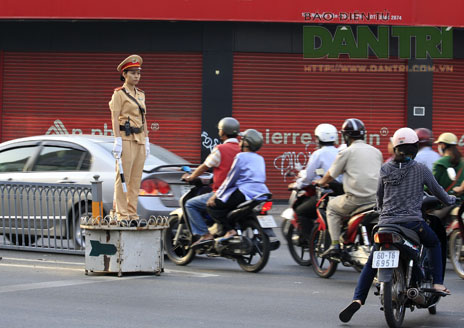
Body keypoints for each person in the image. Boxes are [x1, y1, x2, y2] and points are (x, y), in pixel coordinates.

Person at [339, 127, 455, 323]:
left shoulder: (385, 169)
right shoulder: (420, 169)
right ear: (415, 148)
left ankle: (358, 299)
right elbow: (439, 192)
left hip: (385, 225)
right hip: (412, 223)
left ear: (395, 147)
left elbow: (379, 198)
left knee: (372, 261)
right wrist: (451, 199)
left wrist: (382, 210)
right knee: (434, 242)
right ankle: (437, 283)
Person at [316, 118, 383, 258]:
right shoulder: (376, 151)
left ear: (346, 136)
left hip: (356, 200)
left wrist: (321, 182)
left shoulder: (346, 152)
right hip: (377, 200)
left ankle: (334, 244)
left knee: (332, 208)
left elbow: (331, 174)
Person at [183, 117, 241, 247]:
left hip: (222, 192)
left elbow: (205, 166)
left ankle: (205, 235)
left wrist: (192, 176)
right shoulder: (242, 149)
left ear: (222, 132)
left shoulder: (220, 149)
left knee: (190, 204)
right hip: (240, 193)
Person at [206, 129, 270, 238]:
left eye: (241, 141)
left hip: (244, 193)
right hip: (262, 193)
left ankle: (229, 230)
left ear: (246, 143)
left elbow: (230, 179)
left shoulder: (241, 156)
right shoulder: (260, 158)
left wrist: (216, 195)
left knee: (213, 206)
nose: (239, 143)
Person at [109, 54, 149, 223]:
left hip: (139, 138)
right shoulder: (119, 94)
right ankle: (121, 214)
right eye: (133, 73)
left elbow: (144, 118)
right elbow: (114, 117)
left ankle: (132, 213)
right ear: (124, 74)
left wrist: (147, 139)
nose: (136, 76)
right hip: (125, 138)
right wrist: (117, 140)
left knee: (135, 179)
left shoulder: (140, 94)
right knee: (123, 178)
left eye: (138, 73)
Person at [288, 123, 342, 237]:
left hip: (324, 195)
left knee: (301, 211)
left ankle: (310, 241)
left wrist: (297, 185)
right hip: (340, 193)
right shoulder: (340, 152)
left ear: (319, 138)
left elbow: (308, 177)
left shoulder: (318, 154)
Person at [433, 132, 464, 200]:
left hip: (443, 205)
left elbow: (431, 185)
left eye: (439, 144)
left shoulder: (440, 163)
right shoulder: (462, 162)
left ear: (443, 145)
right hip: (461, 203)